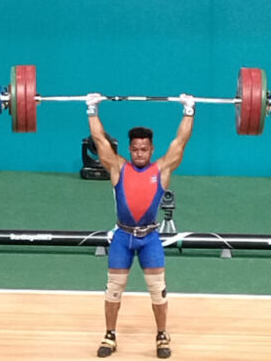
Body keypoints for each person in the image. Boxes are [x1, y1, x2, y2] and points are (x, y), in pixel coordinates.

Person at [86, 92, 195, 359]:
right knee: (113, 289)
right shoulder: (118, 168)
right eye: (135, 149)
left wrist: (189, 111)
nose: (139, 153)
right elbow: (99, 140)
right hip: (122, 237)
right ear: (129, 149)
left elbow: (181, 141)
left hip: (150, 239)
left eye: (144, 149)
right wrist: (92, 109)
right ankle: (110, 335)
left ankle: (162, 335)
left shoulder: (162, 170)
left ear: (152, 149)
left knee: (158, 290)